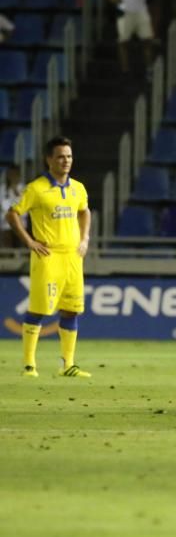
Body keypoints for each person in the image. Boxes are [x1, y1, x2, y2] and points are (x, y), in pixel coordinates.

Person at [5, 137, 91, 379]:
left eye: (69, 156)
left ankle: (68, 364)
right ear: (49, 159)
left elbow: (85, 212)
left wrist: (84, 240)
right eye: (61, 156)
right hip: (48, 256)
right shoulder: (36, 188)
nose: (66, 161)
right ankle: (29, 364)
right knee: (39, 310)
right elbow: (12, 214)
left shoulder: (78, 188)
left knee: (71, 310)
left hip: (73, 257)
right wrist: (30, 241)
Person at [0, 165, 25, 248]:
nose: (13, 177)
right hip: (6, 223)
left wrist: (16, 192)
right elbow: (2, 205)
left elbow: (24, 206)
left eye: (15, 174)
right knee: (7, 245)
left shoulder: (24, 188)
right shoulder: (3, 189)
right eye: (11, 174)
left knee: (20, 245)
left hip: (21, 223)